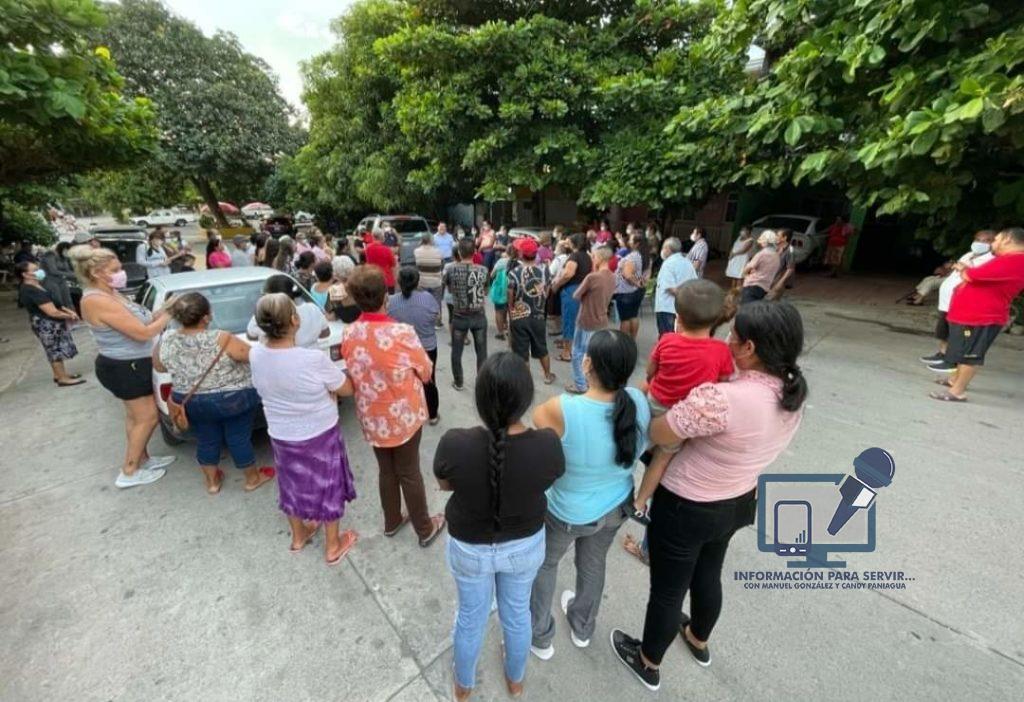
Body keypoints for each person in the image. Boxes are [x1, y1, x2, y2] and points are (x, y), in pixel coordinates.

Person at [611, 301, 808, 692]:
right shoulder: (791, 394)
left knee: (668, 590)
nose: (727, 340)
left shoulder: (720, 398)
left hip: (688, 506)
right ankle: (698, 637)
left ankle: (647, 661)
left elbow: (661, 434)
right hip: (738, 501)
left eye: (734, 335)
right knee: (708, 572)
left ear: (749, 347)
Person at [434, 353, 565, 701]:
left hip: (469, 548)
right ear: (526, 398)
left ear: (479, 398)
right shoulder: (548, 444)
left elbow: (445, 485)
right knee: (517, 614)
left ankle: (463, 685)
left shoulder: (454, 443)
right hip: (524, 547)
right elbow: (550, 479)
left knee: (470, 618)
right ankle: (516, 680)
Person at [530, 329, 650, 661]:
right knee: (593, 564)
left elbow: (537, 422)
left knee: (545, 565)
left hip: (566, 513)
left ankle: (540, 635)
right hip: (616, 507)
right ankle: (582, 627)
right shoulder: (638, 401)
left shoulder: (563, 408)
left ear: (587, 364)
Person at [623, 280, 735, 564]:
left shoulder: (667, 341)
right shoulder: (721, 351)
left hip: (654, 406)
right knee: (662, 460)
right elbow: (722, 385)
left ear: (679, 317)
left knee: (636, 444)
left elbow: (650, 374)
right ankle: (639, 503)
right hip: (682, 418)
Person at [249, 293, 358, 565]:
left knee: (290, 482)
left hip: (281, 434)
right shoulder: (312, 359)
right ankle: (332, 546)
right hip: (320, 432)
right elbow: (346, 388)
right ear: (295, 320)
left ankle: (298, 537)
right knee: (328, 484)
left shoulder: (256, 354)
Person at [342, 265, 446, 546]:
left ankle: (392, 521)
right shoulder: (401, 333)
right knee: (409, 471)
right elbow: (426, 371)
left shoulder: (349, 333)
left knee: (386, 470)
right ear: (385, 296)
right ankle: (424, 528)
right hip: (403, 416)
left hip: (371, 415)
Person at [71, 245, 175, 488]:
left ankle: (142, 458)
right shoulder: (96, 300)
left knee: (135, 417)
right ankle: (129, 470)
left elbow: (145, 319)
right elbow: (143, 333)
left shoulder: (111, 293)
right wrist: (170, 316)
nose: (122, 273)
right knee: (148, 418)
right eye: (115, 270)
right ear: (96, 273)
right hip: (125, 367)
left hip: (132, 363)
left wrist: (166, 308)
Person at [154, 293, 273, 494]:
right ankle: (252, 479)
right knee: (238, 437)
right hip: (232, 399)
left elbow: (159, 366)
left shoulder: (168, 339)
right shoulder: (222, 338)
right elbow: (252, 356)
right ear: (206, 317)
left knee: (206, 438)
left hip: (191, 401)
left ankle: (212, 482)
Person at [929, 227, 1024, 402]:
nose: (993, 243)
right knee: (963, 348)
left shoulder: (1015, 261)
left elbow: (973, 275)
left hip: (980, 319)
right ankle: (954, 380)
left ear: (1008, 239)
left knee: (970, 354)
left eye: (996, 239)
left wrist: (963, 269)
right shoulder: (1007, 260)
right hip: (970, 318)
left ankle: (957, 391)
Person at [919, 230, 996, 366]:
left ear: (992, 243)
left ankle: (953, 360)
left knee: (960, 334)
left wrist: (963, 268)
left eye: (985, 241)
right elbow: (956, 270)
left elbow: (976, 277)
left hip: (962, 303)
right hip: (946, 302)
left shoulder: (991, 260)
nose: (979, 243)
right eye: (977, 239)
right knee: (944, 331)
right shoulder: (968, 254)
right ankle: (942, 353)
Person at [15, 261, 84, 386]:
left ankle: (59, 375)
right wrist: (71, 316)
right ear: (25, 274)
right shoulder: (30, 289)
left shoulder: (36, 285)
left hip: (48, 321)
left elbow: (55, 303)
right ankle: (63, 379)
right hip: (46, 323)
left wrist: (67, 311)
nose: (39, 271)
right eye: (34, 270)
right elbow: (52, 312)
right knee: (54, 350)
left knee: (54, 348)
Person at [389, 267, 441, 424]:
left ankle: (409, 414)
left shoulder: (391, 301)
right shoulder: (428, 298)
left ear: (399, 282)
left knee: (405, 381)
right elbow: (436, 317)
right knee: (429, 380)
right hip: (427, 346)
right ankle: (432, 415)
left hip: (402, 348)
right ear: (418, 282)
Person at [506, 237, 556, 385]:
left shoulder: (514, 272)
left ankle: (526, 381)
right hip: (538, 315)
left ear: (521, 254)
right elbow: (547, 293)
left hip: (519, 316)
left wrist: (511, 310)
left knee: (521, 352)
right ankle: (547, 375)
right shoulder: (545, 270)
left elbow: (510, 295)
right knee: (542, 348)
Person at [567, 247, 616, 393]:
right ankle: (592, 382)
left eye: (594, 257)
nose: (592, 259)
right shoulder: (612, 277)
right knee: (593, 354)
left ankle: (580, 384)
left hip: (586, 320)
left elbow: (576, 295)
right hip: (602, 320)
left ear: (600, 258)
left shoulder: (592, 277)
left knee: (578, 353)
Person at [443, 239, 489, 391]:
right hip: (479, 315)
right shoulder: (483, 270)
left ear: (459, 252)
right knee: (481, 352)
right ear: (474, 252)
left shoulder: (451, 270)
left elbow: (449, 290)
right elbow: (486, 291)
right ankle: (481, 382)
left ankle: (459, 382)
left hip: (459, 316)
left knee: (457, 351)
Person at [246, 274, 329, 349]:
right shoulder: (312, 308)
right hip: (312, 358)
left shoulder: (265, 314)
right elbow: (326, 333)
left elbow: (250, 336)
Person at [551, 233, 592, 363]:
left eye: (570, 241)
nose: (567, 243)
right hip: (582, 289)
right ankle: (574, 346)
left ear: (574, 243)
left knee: (568, 320)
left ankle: (566, 352)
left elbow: (568, 274)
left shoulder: (575, 256)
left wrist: (557, 285)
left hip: (572, 290)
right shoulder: (587, 256)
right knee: (577, 320)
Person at [654, 237, 697, 337]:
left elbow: (671, 289)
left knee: (667, 337)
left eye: (663, 248)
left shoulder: (668, 264)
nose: (662, 251)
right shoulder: (687, 262)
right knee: (679, 337)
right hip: (683, 308)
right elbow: (695, 284)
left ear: (668, 249)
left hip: (667, 308)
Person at [613, 233, 648, 340]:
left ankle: (624, 342)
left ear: (637, 244)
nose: (629, 241)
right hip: (637, 292)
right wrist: (640, 284)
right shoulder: (645, 256)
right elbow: (647, 274)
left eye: (631, 240)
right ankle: (632, 340)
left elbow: (627, 274)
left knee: (625, 319)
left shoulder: (633, 257)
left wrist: (636, 283)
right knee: (633, 316)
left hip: (626, 292)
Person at [741, 230, 781, 304]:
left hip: (752, 285)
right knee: (757, 308)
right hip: (765, 288)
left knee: (747, 308)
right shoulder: (777, 256)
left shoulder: (762, 254)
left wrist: (745, 275)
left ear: (766, 242)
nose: (761, 242)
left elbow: (748, 268)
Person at [40, 241, 79, 314]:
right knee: (58, 301)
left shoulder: (64, 257)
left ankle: (73, 316)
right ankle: (61, 316)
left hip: (61, 280)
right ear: (64, 249)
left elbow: (68, 270)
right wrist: (72, 275)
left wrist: (77, 275)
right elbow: (53, 271)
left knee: (68, 300)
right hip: (50, 281)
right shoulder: (50, 254)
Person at [414, 232, 444, 324]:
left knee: (422, 302)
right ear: (431, 240)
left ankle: (424, 320)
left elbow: (416, 266)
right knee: (436, 302)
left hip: (422, 282)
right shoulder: (439, 252)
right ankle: (437, 321)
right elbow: (441, 265)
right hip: (436, 282)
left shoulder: (416, 251)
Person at [546, 238, 571, 340]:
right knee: (562, 309)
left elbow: (551, 273)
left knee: (553, 310)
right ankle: (561, 330)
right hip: (566, 285)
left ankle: (556, 330)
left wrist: (548, 264)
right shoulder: (569, 257)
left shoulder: (558, 260)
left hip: (555, 285)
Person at [328, 256, 361, 324]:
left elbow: (332, 315)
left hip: (347, 322)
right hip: (363, 320)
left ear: (335, 273)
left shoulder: (335, 288)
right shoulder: (360, 282)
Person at [767, 228, 796, 300]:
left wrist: (780, 282)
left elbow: (790, 269)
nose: (775, 237)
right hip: (772, 277)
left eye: (778, 235)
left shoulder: (790, 250)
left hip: (779, 278)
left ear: (784, 238)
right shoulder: (777, 247)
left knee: (772, 300)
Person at [724, 227, 754, 291]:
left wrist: (734, 254)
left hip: (742, 260)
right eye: (742, 230)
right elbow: (733, 246)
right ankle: (732, 290)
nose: (742, 231)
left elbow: (744, 250)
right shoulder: (739, 238)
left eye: (744, 230)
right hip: (734, 258)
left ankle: (737, 292)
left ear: (748, 231)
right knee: (733, 275)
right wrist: (730, 254)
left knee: (739, 276)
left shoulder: (750, 240)